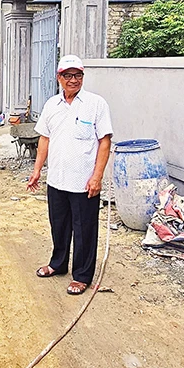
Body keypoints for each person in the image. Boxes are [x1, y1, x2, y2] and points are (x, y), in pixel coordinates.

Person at [27, 55, 113, 296]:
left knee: (84, 229)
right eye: (68, 75)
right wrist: (37, 171)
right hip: (57, 179)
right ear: (59, 78)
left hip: (84, 182)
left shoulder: (96, 104)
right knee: (59, 225)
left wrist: (97, 177)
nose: (73, 80)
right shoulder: (51, 105)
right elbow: (44, 139)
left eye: (78, 75)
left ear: (83, 77)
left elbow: (104, 142)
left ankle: (82, 276)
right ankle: (58, 264)